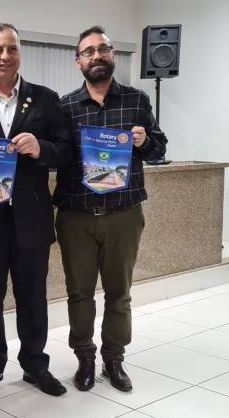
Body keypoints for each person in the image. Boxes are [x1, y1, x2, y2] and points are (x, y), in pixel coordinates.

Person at [0, 23, 72, 397]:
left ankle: (35, 364)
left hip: (32, 218)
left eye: (12, 49)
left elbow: (66, 152)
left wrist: (41, 148)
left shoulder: (46, 99)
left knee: (33, 296)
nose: (5, 56)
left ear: (19, 53)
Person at [54, 25, 168, 392]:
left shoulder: (137, 100)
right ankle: (85, 357)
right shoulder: (64, 107)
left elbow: (159, 150)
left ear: (112, 54)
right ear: (78, 61)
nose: (96, 56)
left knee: (120, 293)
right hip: (76, 216)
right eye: (88, 51)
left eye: (102, 49)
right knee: (79, 294)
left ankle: (114, 358)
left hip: (123, 214)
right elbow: (56, 156)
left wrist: (144, 140)